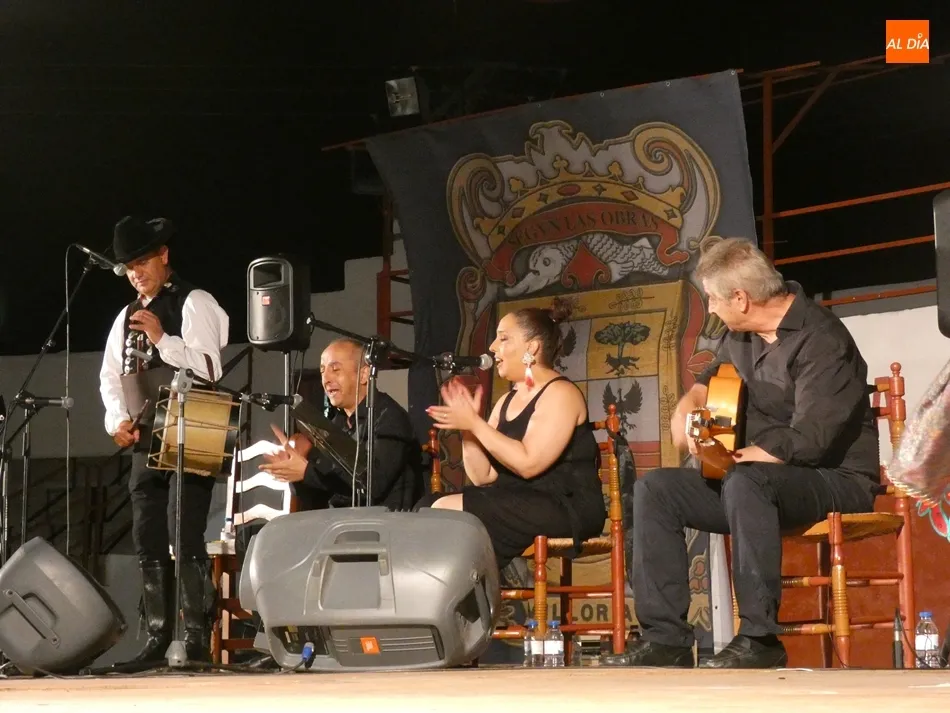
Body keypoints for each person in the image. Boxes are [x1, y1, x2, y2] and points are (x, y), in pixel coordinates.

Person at [628, 237, 880, 669]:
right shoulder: (739, 339)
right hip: (756, 483)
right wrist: (686, 408)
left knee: (747, 480)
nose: (710, 309)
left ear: (740, 298)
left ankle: (760, 637)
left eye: (712, 299)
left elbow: (813, 438)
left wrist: (741, 459)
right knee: (657, 489)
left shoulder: (823, 339)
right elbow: (708, 382)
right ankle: (666, 638)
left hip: (833, 478)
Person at [98, 215, 229, 664]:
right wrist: (116, 419)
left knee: (183, 526)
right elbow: (111, 378)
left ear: (163, 257)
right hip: (147, 430)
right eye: (128, 266)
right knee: (147, 530)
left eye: (142, 262)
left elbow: (210, 368)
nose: (136, 273)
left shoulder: (195, 302)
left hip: (194, 421)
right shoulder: (123, 317)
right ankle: (158, 635)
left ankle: (194, 636)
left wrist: (162, 337)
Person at [417, 303, 607, 572]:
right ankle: (456, 595)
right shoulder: (506, 401)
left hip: (564, 506)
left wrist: (475, 423)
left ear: (532, 347)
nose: (493, 347)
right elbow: (482, 476)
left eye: (504, 338)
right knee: (426, 506)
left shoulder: (561, 394)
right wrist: (468, 430)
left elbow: (528, 464)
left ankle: (464, 596)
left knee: (447, 513)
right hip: (517, 499)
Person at [261, 337, 423, 511]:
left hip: (383, 524)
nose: (326, 379)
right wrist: (294, 472)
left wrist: (307, 473)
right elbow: (322, 492)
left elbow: (374, 485)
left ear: (363, 374)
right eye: (323, 371)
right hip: (340, 522)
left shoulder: (389, 417)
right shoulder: (337, 423)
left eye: (335, 369)